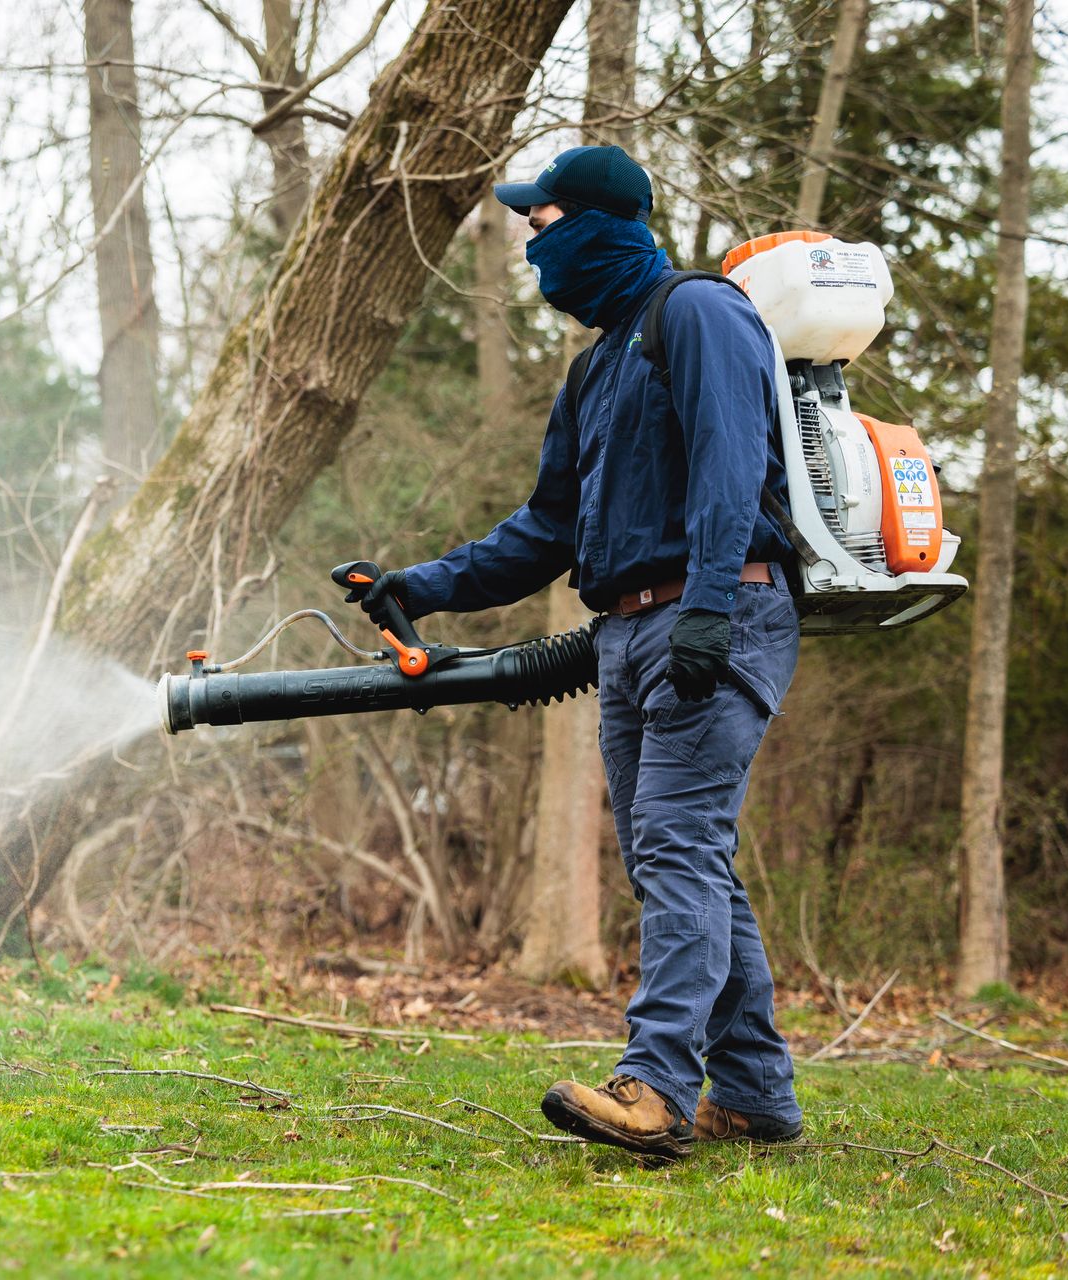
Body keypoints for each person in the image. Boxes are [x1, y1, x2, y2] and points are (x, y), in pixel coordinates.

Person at [347, 145, 804, 1159]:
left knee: (679, 845)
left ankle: (654, 1085)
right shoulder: (597, 364)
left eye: (541, 224)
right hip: (635, 629)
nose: (529, 246)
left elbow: (732, 466)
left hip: (716, 610)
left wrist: (713, 608)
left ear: (600, 224)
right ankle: (759, 1093)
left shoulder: (699, 313)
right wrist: (419, 584)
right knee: (679, 857)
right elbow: (547, 528)